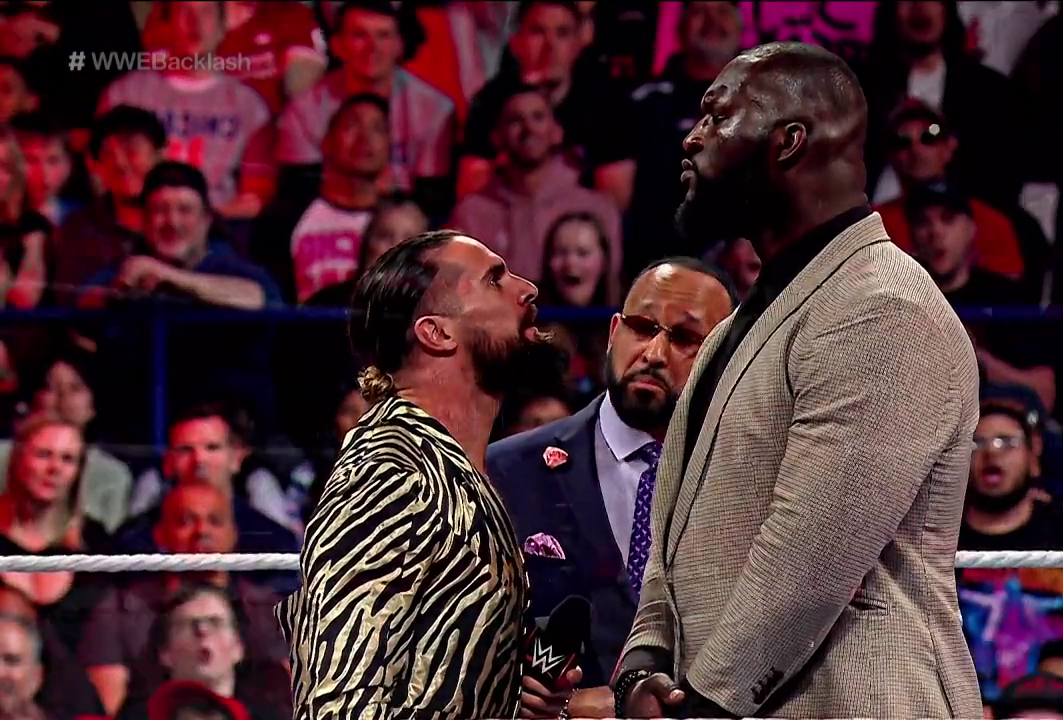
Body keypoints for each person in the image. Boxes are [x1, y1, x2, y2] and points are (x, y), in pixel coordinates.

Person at [612, 42, 982, 718]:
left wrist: (704, 705)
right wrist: (646, 659)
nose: (692, 139)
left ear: (788, 141)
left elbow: (811, 557)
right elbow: (679, 531)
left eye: (717, 116)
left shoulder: (882, 307)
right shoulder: (738, 325)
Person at [277, 230, 575, 718]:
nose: (528, 289)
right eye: (494, 280)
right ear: (436, 333)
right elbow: (339, 697)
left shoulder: (458, 470)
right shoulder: (390, 470)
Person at [488, 257, 735, 718]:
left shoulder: (747, 481)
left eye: (684, 338)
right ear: (613, 331)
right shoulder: (506, 471)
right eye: (642, 328)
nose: (654, 353)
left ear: (725, 360)